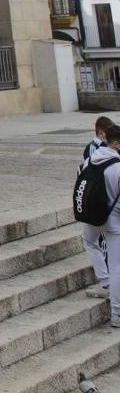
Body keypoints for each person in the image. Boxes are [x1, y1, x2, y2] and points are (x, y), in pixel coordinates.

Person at [84, 121, 120, 329]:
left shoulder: (90, 160)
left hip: (91, 216)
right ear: (116, 145)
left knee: (89, 241)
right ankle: (116, 313)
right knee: (117, 266)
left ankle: (104, 279)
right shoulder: (116, 167)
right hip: (113, 220)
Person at [79, 117, 116, 296]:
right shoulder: (94, 151)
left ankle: (106, 284)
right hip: (105, 211)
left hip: (97, 211)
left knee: (91, 241)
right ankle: (108, 286)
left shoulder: (95, 157)